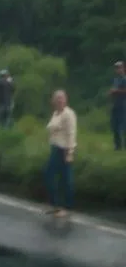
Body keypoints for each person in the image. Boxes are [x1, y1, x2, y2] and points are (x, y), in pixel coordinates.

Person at [44, 89, 77, 218]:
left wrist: (70, 152)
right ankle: (55, 205)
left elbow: (71, 134)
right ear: (53, 101)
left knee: (66, 179)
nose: (59, 101)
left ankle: (66, 207)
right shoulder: (56, 114)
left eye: (61, 98)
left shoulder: (69, 114)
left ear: (66, 100)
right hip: (55, 148)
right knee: (49, 176)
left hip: (64, 149)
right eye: (57, 98)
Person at [109, 61, 126, 150]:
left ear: (123, 68)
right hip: (115, 105)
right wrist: (112, 92)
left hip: (123, 105)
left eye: (120, 67)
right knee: (115, 126)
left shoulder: (124, 79)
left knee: (123, 126)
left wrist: (116, 91)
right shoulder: (116, 79)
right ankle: (117, 146)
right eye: (116, 68)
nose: (118, 69)